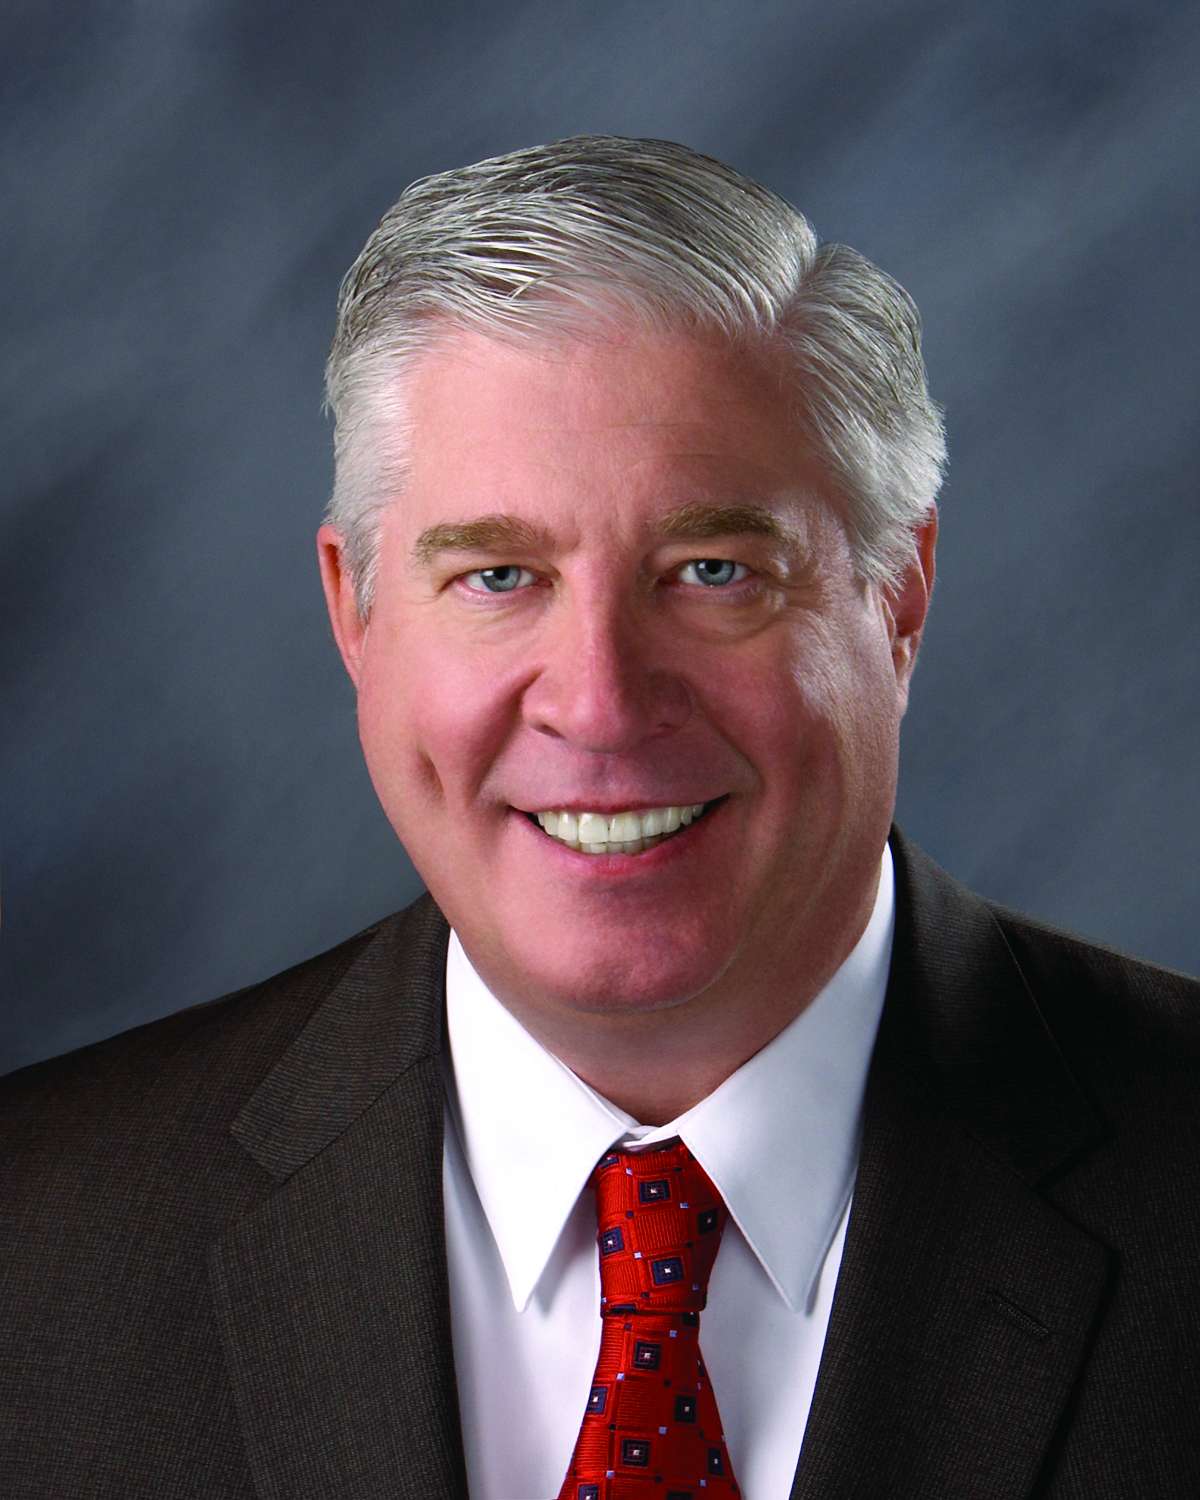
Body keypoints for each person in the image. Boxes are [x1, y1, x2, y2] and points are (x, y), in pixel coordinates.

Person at [2, 136, 1197, 1500]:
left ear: (899, 598)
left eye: (711, 570)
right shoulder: (35, 1253)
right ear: (355, 611)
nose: (601, 702)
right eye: (500, 575)